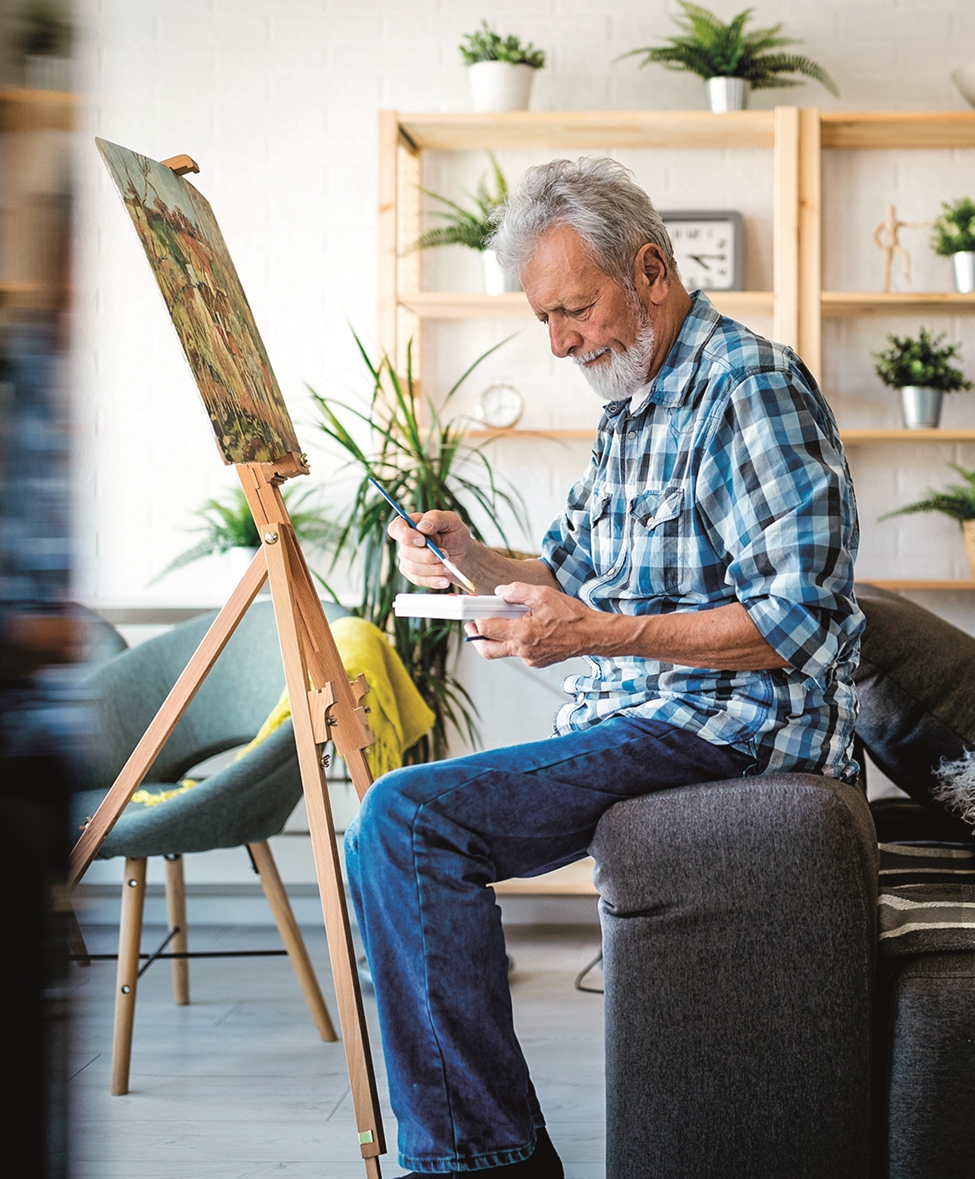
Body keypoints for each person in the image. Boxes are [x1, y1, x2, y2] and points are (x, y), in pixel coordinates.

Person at [344, 158, 861, 1177]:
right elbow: (565, 571)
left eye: (574, 309)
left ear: (652, 272)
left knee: (407, 818)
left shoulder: (747, 389)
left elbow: (793, 622)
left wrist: (588, 634)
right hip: (644, 716)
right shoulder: (631, 402)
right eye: (545, 319)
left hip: (727, 731)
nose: (561, 341)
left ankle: (481, 1161)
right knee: (407, 823)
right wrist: (468, 555)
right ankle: (485, 1149)